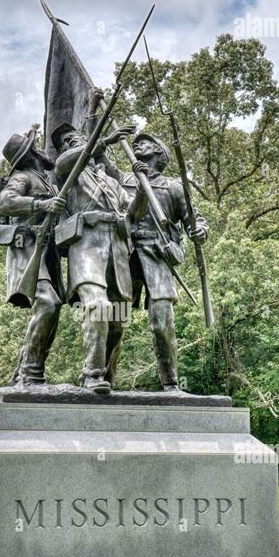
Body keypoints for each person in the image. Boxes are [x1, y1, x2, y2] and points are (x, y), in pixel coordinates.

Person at [98, 129, 208, 391]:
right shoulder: (123, 178)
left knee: (162, 321)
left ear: (160, 153)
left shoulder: (173, 187)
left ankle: (171, 383)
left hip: (157, 255)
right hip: (125, 252)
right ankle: (102, 380)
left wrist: (200, 230)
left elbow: (195, 217)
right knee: (114, 321)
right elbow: (97, 155)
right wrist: (98, 120)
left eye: (145, 143)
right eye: (136, 143)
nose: (138, 145)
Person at [52, 120, 148, 393]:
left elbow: (134, 214)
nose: (73, 144)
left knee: (117, 321)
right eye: (67, 143)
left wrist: (141, 188)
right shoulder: (67, 172)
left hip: (116, 250)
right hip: (86, 249)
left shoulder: (110, 181)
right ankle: (92, 374)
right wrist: (104, 141)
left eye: (76, 139)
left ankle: (107, 378)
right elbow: (71, 160)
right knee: (97, 306)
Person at [0, 129, 65, 385]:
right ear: (32, 153)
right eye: (36, 146)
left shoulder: (46, 179)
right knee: (48, 304)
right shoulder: (22, 177)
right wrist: (40, 205)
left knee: (53, 310)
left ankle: (22, 372)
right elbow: (4, 201)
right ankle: (31, 374)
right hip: (26, 249)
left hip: (47, 252)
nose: (42, 149)